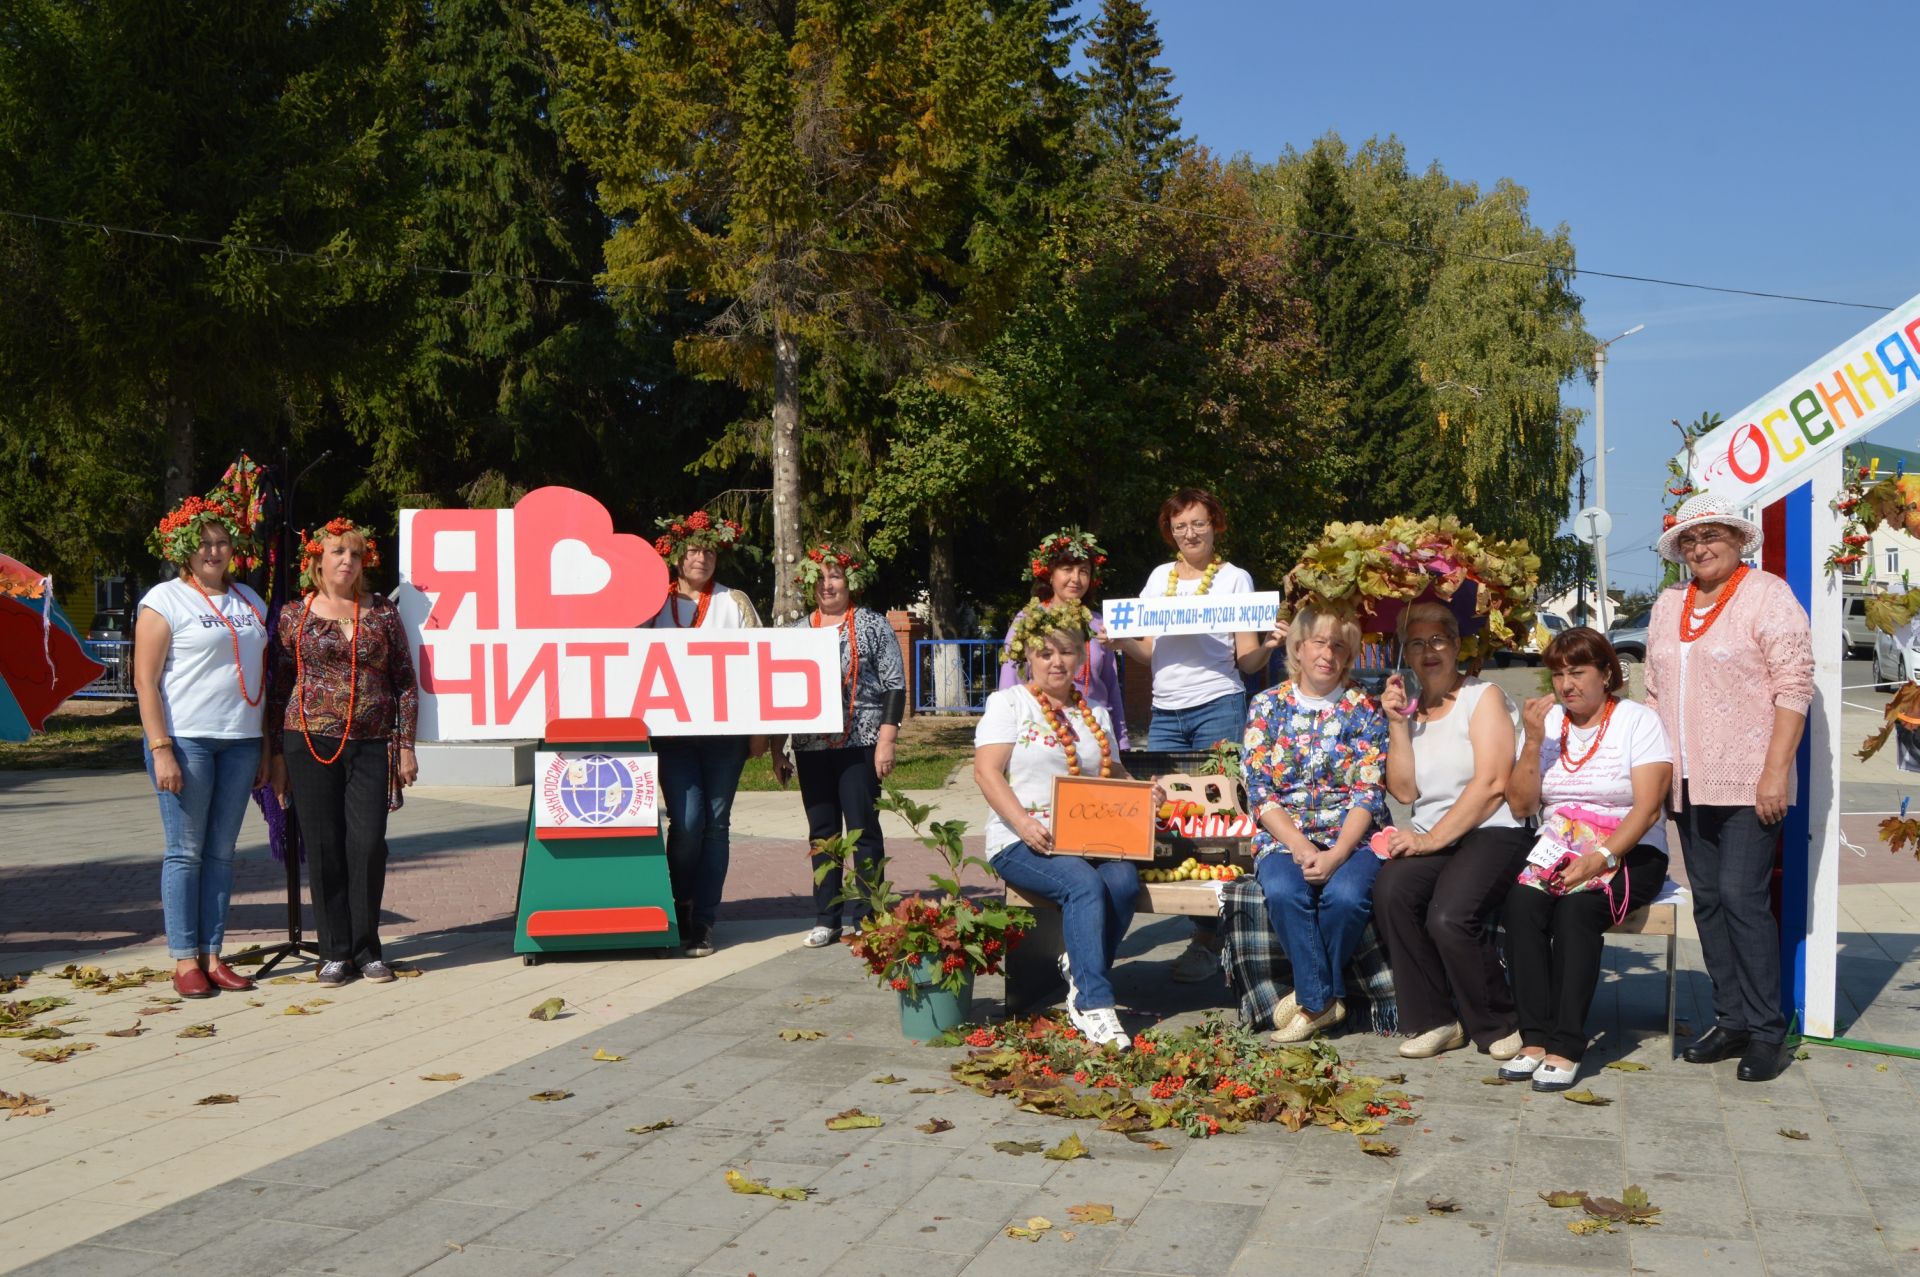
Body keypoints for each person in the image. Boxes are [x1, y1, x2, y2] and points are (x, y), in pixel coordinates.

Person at [1646, 493, 1812, 1082]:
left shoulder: (1767, 595)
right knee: (1710, 901)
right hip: (1685, 780)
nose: (1699, 547)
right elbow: (1654, 692)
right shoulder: (1668, 605)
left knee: (1743, 900)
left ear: (1738, 539)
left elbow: (1794, 687)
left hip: (1748, 778)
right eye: (1689, 540)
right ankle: (1732, 1017)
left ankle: (1769, 1031)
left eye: (1711, 535)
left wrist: (1775, 771)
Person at [1110, 488, 1284, 982]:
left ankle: (1210, 939)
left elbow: (1244, 658)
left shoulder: (1234, 579)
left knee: (1220, 824)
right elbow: (1147, 653)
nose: (1191, 533)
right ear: (1171, 531)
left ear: (1216, 524)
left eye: (1199, 523)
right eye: (1181, 525)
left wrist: (1269, 646)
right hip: (1165, 712)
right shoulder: (1157, 579)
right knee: (1171, 817)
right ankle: (1201, 928)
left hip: (1219, 706)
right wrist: (1119, 639)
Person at [975, 603, 1155, 1048]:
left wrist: (1145, 791)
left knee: (1124, 882)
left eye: (1067, 652)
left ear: (1081, 658)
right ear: (1029, 659)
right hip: (1023, 839)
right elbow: (987, 773)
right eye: (1046, 653)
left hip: (1090, 835)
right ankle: (1093, 1004)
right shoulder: (1008, 704)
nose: (1057, 662)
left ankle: (1079, 967)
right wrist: (1022, 823)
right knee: (1083, 887)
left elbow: (1112, 775)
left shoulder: (1093, 710)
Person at [1503, 627, 1673, 1090]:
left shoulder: (1637, 721)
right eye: (1557, 674)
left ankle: (1566, 1043)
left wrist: (1601, 857)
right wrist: (1533, 742)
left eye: (1578, 672)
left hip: (1629, 850)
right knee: (1521, 906)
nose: (1566, 685)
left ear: (1606, 674)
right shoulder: (1548, 724)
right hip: (1558, 846)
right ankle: (1533, 1036)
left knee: (1577, 912)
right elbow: (1521, 806)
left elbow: (1648, 807)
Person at [267, 519, 419, 988]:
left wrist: (406, 745)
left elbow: (405, 684)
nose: (347, 562)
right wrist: (274, 755)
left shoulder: (383, 614)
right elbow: (280, 685)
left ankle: (367, 948)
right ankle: (335, 951)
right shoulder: (296, 613)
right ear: (317, 560)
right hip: (307, 740)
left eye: (355, 554)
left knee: (369, 845)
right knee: (324, 844)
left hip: (372, 743)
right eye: (337, 552)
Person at [1375, 601, 1529, 1060]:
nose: (1428, 651)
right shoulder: (1413, 712)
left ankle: (1497, 1021)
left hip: (1493, 830)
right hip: (1435, 834)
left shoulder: (1484, 697)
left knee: (1449, 916)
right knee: (1391, 892)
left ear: (1457, 645)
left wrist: (1429, 840)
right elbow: (1404, 793)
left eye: (1437, 640)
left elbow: (1493, 784)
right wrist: (1397, 726)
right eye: (1416, 643)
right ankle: (1435, 1020)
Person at [133, 491, 270, 999]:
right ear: (186, 549)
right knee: (185, 852)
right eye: (204, 544)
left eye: (222, 543)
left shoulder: (250, 601)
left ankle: (214, 955)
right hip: (186, 740)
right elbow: (144, 681)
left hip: (242, 741)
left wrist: (266, 749)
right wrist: (160, 747)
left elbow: (262, 677)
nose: (214, 552)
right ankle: (184, 959)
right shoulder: (164, 599)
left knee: (222, 852)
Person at [1242, 607, 1390, 1042]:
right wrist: (1301, 848)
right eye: (1320, 642)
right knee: (1286, 890)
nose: (1329, 653)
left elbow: (1368, 790)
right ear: (1298, 648)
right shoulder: (1267, 705)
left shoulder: (1365, 706)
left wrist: (1338, 854)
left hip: (1354, 837)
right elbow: (1259, 790)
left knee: (1345, 896)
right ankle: (1323, 999)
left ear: (1349, 656)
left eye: (1340, 645)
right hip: (1284, 835)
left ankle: (1311, 1000)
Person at [773, 542, 906, 948]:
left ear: (850, 582)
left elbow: (894, 685)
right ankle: (826, 915)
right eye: (821, 577)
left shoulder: (871, 624)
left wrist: (886, 742)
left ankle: (869, 913)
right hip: (812, 745)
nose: (828, 585)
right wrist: (778, 748)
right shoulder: (796, 633)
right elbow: (780, 693)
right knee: (823, 833)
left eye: (836, 576)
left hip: (861, 741)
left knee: (863, 828)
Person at [649, 510, 761, 958]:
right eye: (693, 549)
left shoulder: (735, 603)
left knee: (716, 826)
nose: (701, 558)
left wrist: (761, 734)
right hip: (672, 733)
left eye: (709, 551)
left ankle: (704, 921)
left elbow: (760, 668)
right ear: (677, 555)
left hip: (725, 734)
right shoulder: (653, 601)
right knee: (688, 821)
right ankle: (678, 903)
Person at [995, 528, 1128, 748]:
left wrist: (1121, 741)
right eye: (1067, 569)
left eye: (1084, 571)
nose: (1076, 578)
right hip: (1043, 732)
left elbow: (1111, 685)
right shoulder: (1028, 619)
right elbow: (1010, 681)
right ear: (1050, 573)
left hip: (1093, 732)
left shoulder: (1098, 624)